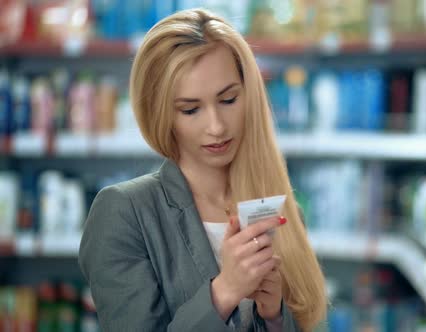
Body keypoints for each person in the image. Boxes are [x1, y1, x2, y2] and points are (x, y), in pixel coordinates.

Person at [78, 8, 327, 332]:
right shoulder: (124, 213)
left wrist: (274, 316)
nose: (216, 126)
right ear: (161, 113)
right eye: (191, 109)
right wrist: (224, 292)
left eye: (228, 100)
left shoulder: (282, 215)